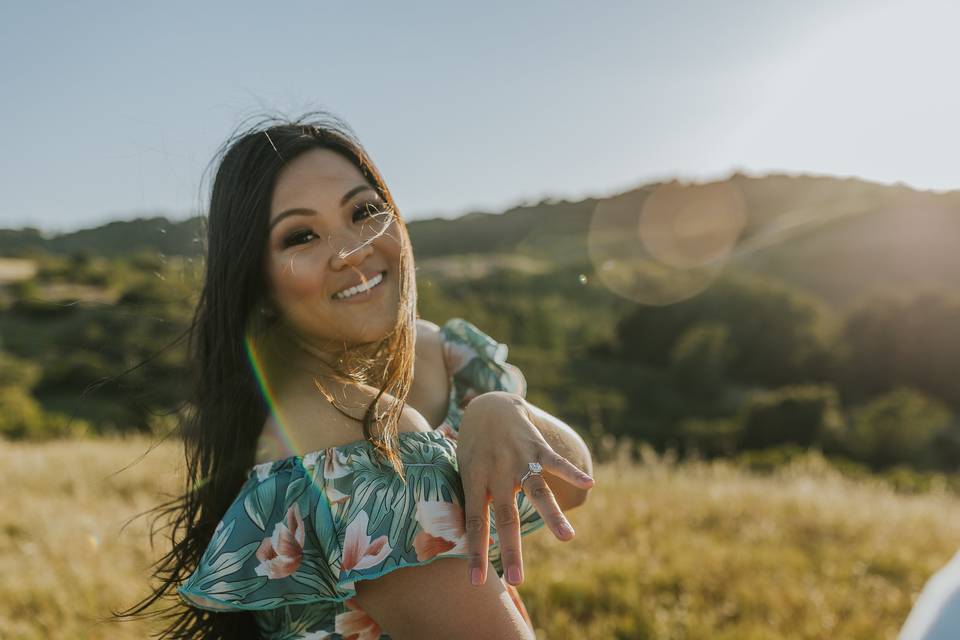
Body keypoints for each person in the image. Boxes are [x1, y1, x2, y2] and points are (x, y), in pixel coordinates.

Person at [113, 112, 596, 640]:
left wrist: (501, 408)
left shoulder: (442, 351)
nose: (353, 251)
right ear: (258, 280)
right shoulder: (345, 434)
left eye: (364, 210)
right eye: (301, 236)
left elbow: (572, 486)